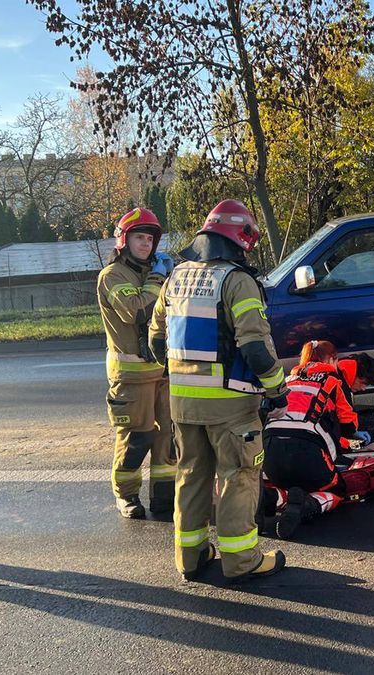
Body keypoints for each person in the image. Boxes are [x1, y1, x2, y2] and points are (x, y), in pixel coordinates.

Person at [149, 199, 288, 583]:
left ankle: (189, 558)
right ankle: (241, 561)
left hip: (183, 406)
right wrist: (278, 389)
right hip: (230, 408)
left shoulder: (175, 277)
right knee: (238, 478)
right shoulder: (235, 280)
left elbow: (155, 339)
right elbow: (255, 347)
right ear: (240, 238)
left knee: (191, 475)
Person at [97, 207, 178, 520]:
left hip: (162, 369)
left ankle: (163, 498)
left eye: (150, 238)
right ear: (123, 240)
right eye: (139, 237)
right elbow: (136, 312)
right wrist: (159, 279)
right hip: (131, 376)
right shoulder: (112, 276)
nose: (146, 244)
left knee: (167, 438)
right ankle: (126, 496)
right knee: (135, 439)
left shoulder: (156, 274)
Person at [260, 341, 374, 540]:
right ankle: (307, 505)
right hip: (309, 452)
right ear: (332, 359)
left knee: (281, 483)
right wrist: (353, 436)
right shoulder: (333, 380)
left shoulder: (288, 378)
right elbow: (348, 426)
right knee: (336, 489)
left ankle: (272, 499)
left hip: (271, 453)